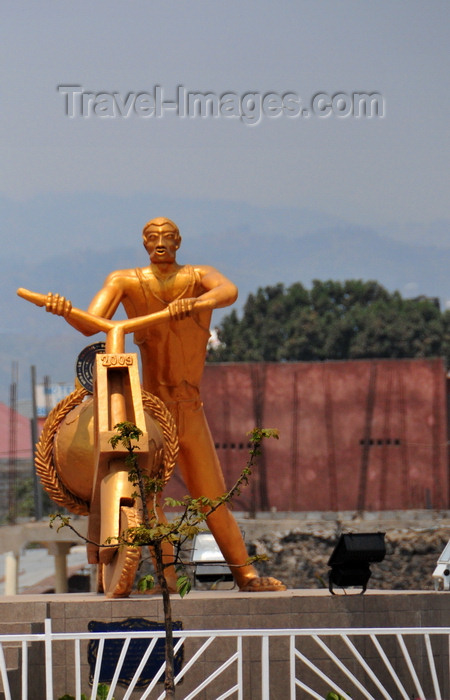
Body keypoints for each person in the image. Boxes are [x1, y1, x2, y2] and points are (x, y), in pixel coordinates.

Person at [48, 217, 285, 592]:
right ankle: (166, 581)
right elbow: (93, 324)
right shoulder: (125, 280)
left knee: (212, 498)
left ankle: (246, 575)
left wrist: (195, 303)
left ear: (178, 242)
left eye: (167, 237)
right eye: (153, 237)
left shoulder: (199, 276)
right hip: (152, 412)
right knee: (149, 498)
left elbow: (229, 291)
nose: (160, 243)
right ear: (144, 244)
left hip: (190, 408)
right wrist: (65, 309)